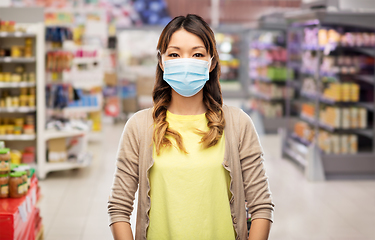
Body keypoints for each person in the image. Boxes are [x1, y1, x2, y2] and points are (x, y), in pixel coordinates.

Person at [108, 14, 274, 240]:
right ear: (162, 61)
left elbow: (261, 206)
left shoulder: (238, 124)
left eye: (197, 54)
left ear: (212, 62)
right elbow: (119, 208)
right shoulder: (139, 126)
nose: (186, 62)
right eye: (174, 54)